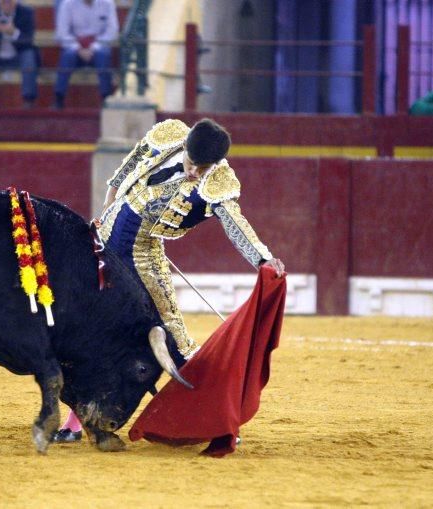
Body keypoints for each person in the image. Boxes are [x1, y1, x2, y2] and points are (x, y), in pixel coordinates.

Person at [52, 118, 285, 443]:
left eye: (202, 169)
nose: (194, 173)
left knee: (174, 338)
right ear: (186, 145)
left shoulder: (218, 181)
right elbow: (128, 167)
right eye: (192, 163)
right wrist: (108, 204)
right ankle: (75, 422)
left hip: (142, 258)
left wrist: (262, 257)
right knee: (91, 332)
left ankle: (214, 418)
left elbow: (235, 223)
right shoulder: (169, 135)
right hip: (103, 245)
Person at [53, 0, 118, 109]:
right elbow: (62, 33)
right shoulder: (67, 3)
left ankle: (106, 99)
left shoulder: (107, 3)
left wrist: (93, 47)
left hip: (99, 44)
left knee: (103, 55)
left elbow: (112, 31)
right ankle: (59, 98)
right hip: (74, 45)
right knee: (67, 56)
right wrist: (78, 48)